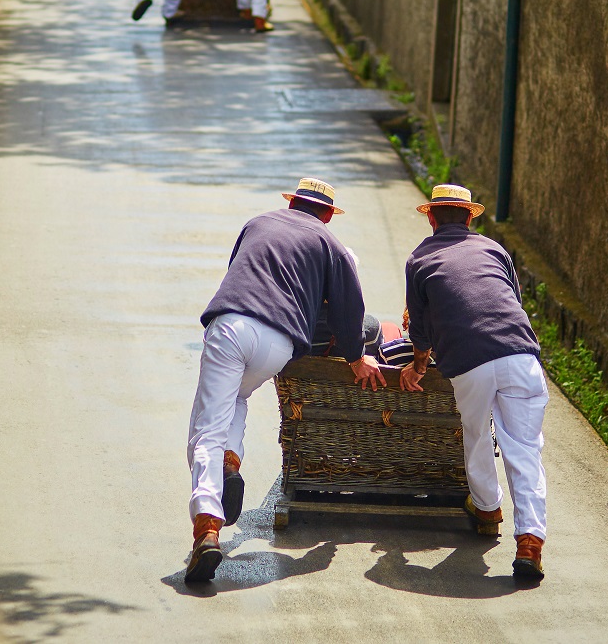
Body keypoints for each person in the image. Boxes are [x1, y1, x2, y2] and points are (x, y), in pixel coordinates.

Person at [184, 178, 386, 583]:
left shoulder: (257, 223)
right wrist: (355, 356)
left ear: (292, 203)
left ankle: (207, 524)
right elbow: (352, 310)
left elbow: (237, 275)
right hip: (279, 343)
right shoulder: (332, 246)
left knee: (207, 427)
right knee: (238, 397)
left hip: (233, 325)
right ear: (328, 215)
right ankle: (230, 461)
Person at [399, 184, 548, 581]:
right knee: (525, 449)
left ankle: (487, 509)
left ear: (430, 217)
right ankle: (530, 542)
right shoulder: (495, 249)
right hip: (520, 354)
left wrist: (417, 365)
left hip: (469, 362)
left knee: (478, 434)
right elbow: (510, 298)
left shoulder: (419, 259)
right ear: (469, 217)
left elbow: (420, 327)